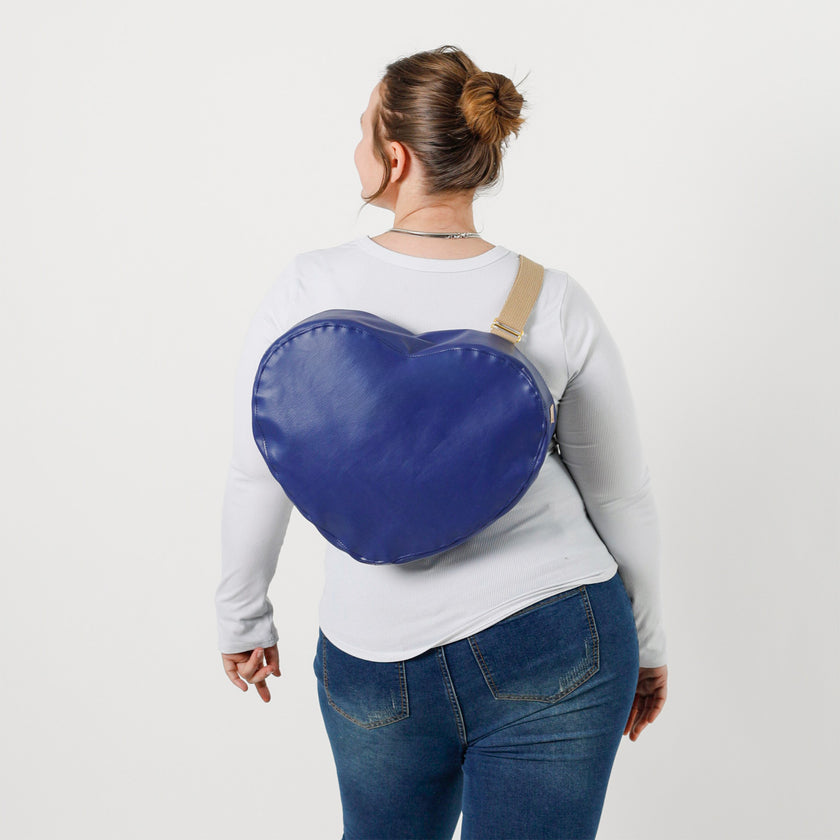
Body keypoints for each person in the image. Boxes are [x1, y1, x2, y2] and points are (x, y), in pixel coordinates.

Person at [216, 44, 669, 840]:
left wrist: (243, 618)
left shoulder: (309, 288)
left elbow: (260, 471)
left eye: (363, 131)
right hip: (560, 636)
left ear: (394, 158)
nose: (356, 148)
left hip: (373, 652)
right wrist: (648, 643)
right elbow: (620, 492)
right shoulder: (550, 299)